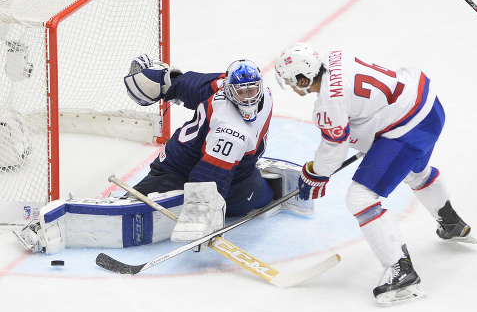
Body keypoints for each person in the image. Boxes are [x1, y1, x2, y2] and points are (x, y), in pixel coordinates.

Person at [16, 55, 313, 254]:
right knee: (132, 208)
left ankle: (254, 192)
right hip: (178, 170)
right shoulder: (228, 126)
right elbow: (207, 179)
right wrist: (202, 218)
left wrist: (167, 84)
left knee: (253, 198)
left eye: (252, 91)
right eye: (242, 93)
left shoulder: (228, 86)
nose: (248, 97)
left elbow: (190, 84)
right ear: (230, 91)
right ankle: (50, 228)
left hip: (238, 174)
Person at [274, 42, 475, 306]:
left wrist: (316, 173)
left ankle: (401, 272)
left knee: (360, 198)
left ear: (303, 77)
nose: (290, 85)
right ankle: (451, 223)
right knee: (415, 171)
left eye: (290, 80)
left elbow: (335, 147)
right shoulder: (336, 57)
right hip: (427, 105)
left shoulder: (328, 104)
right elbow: (364, 107)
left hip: (408, 128)